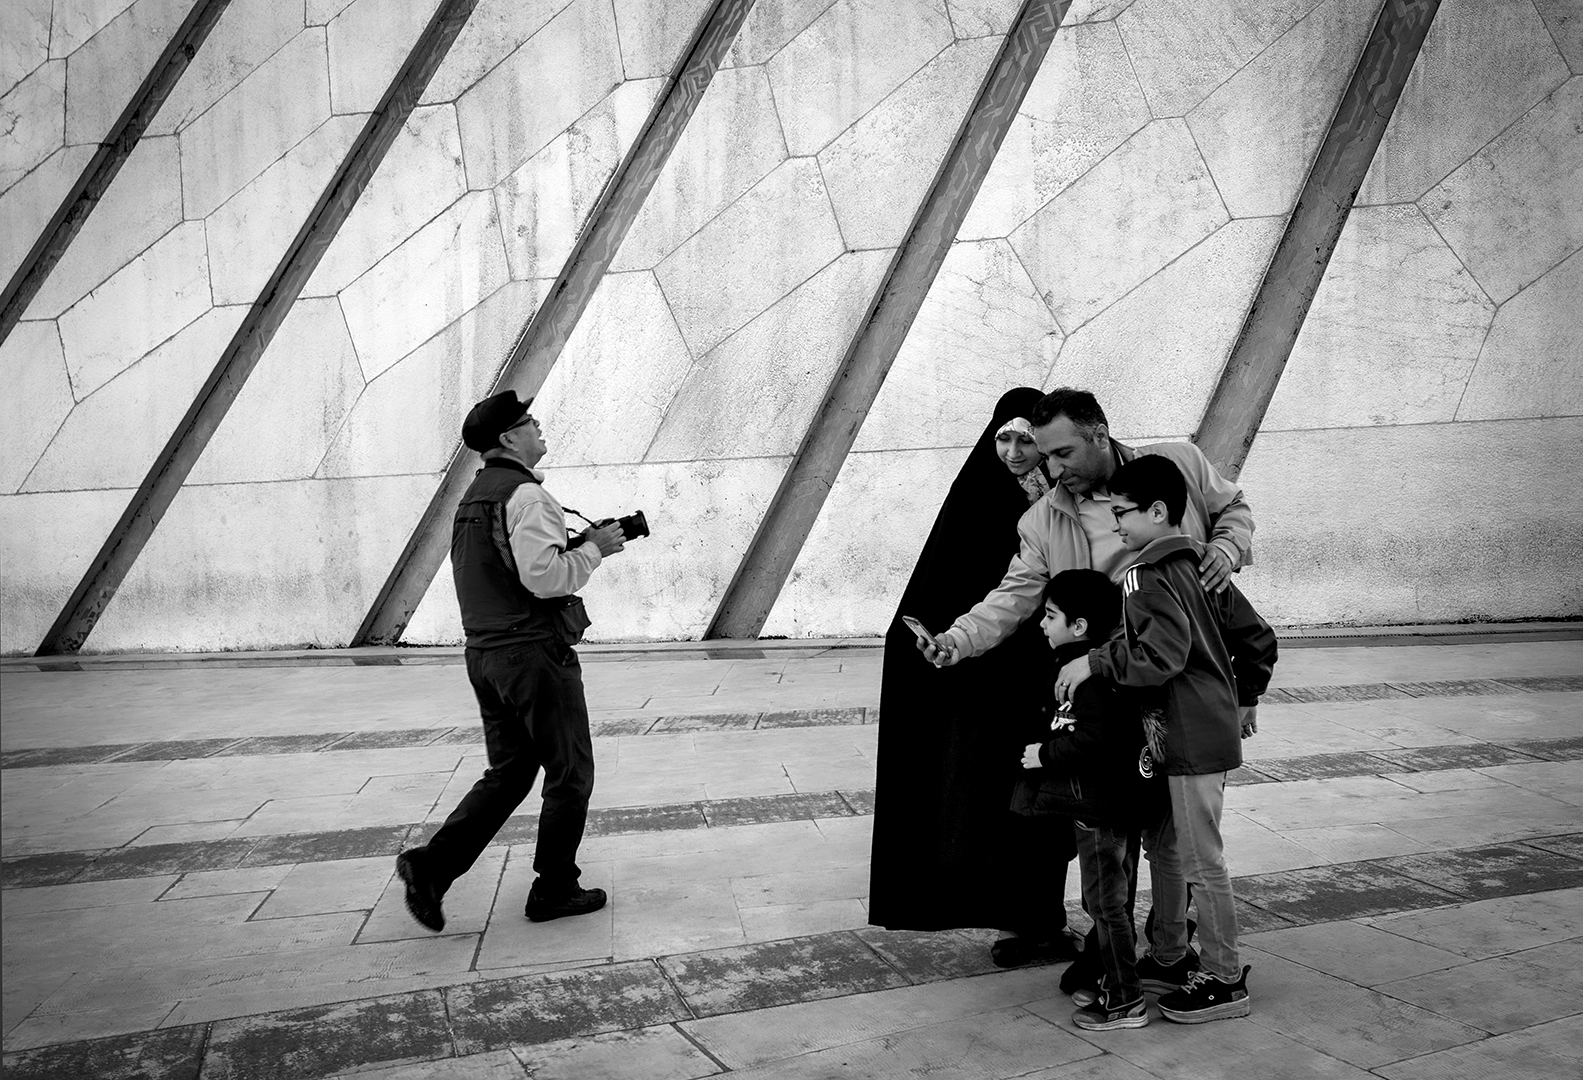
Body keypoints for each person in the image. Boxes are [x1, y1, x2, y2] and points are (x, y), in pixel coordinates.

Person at [1056, 455, 1277, 1024]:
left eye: (1122, 513)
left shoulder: (1141, 573)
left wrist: (1094, 662)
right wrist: (1244, 696)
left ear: (1158, 511)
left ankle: (1224, 977)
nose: (1115, 526)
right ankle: (1172, 957)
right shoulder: (1205, 564)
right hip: (1201, 729)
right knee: (1174, 851)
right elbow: (1256, 638)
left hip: (1186, 735)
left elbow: (1161, 656)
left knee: (1201, 861)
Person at [395, 391, 626, 932]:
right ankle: (555, 888)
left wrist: (577, 543)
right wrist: (594, 548)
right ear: (508, 438)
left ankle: (432, 866)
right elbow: (544, 578)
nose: (538, 425)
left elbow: (501, 569)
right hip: (532, 654)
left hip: (487, 654)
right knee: (570, 773)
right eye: (528, 421)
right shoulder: (526, 496)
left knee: (511, 772)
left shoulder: (475, 496)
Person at [868, 388, 1080, 965]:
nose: (1013, 452)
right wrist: (944, 644)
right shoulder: (977, 498)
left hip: (1051, 675)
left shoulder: (1066, 499)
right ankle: (1024, 921)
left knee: (1046, 803)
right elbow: (958, 587)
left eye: (1026, 440)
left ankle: (1044, 919)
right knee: (1002, 803)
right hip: (985, 684)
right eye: (1002, 439)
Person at [919, 387, 1254, 670]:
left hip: (1203, 661)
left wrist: (1226, 548)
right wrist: (960, 638)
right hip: (1116, 672)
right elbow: (1015, 594)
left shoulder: (1180, 464)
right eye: (1047, 456)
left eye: (1064, 453)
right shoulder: (1041, 520)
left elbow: (1232, 507)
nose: (1054, 470)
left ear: (1100, 436)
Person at [1013, 569, 1167, 1031]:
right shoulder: (1087, 665)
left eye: (1051, 615)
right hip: (1108, 804)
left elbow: (1099, 738)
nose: (1042, 623)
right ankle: (1112, 981)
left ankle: (1124, 999)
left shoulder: (1089, 677)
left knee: (1105, 905)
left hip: (1100, 809)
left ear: (1079, 626)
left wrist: (1044, 755)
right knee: (1108, 902)